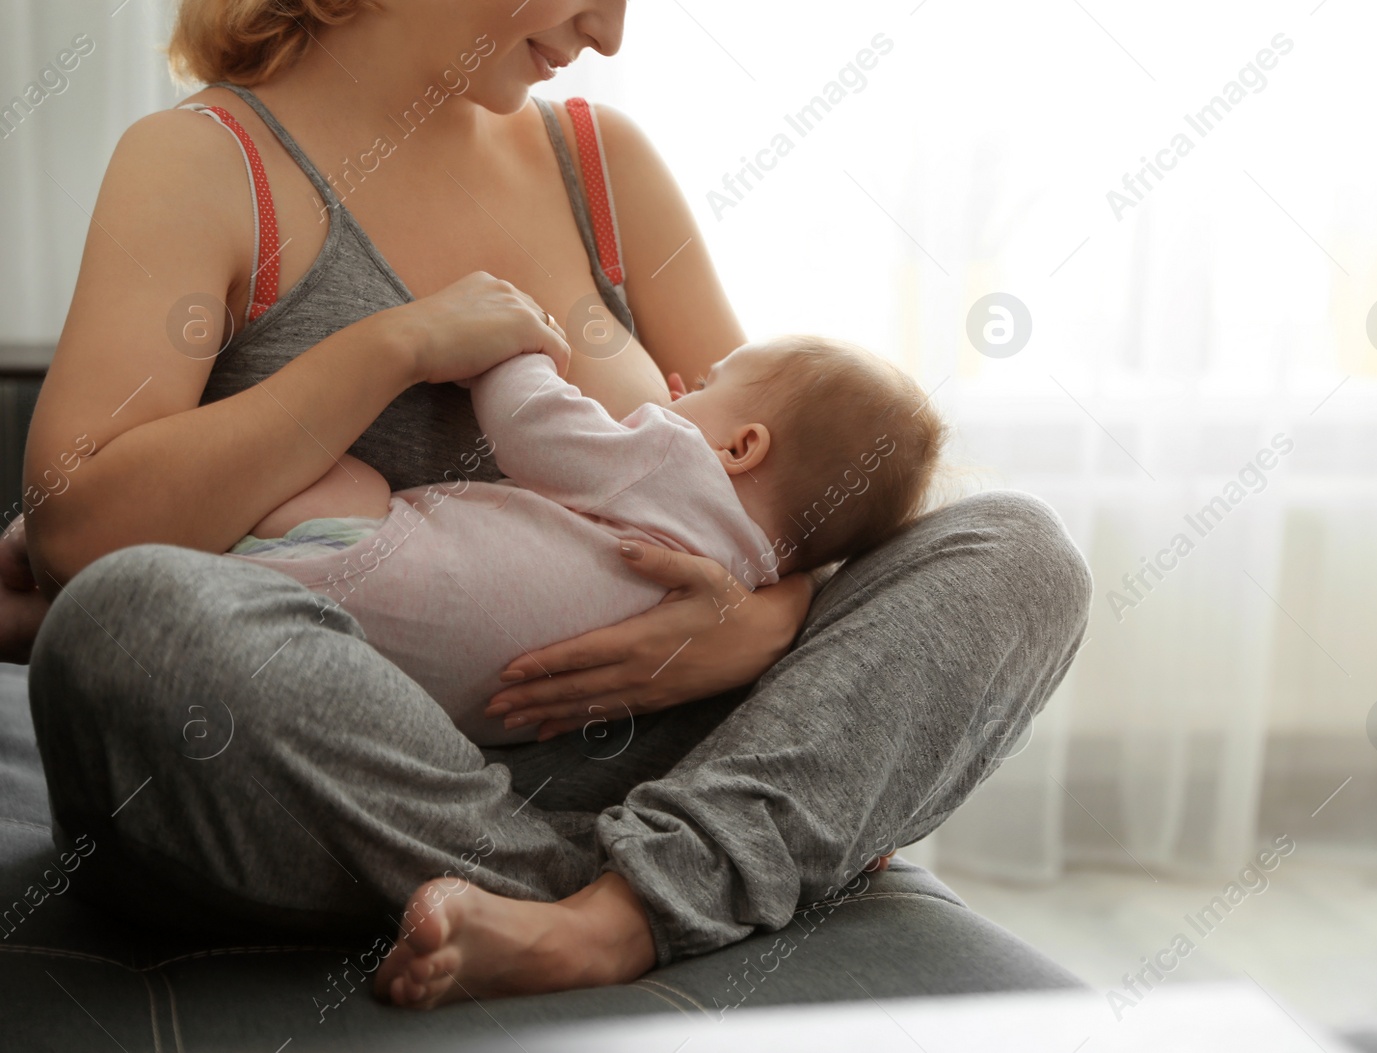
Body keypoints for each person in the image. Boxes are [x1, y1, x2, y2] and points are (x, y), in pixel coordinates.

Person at [13, 0, 1092, 1010]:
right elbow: (77, 529)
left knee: (1019, 549)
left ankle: (614, 914)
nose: (612, 33)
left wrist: (758, 623)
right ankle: (662, 881)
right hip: (311, 778)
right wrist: (396, 348)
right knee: (128, 621)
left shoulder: (602, 166)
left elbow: (788, 493)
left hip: (621, 761)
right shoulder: (204, 163)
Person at [226, 337, 946, 746]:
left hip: (350, 565)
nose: (674, 390)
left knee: (347, 478)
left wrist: (514, 346)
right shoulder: (749, 579)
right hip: (453, 715)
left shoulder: (670, 457)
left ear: (741, 447)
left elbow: (531, 423)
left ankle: (234, 570)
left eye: (701, 383)